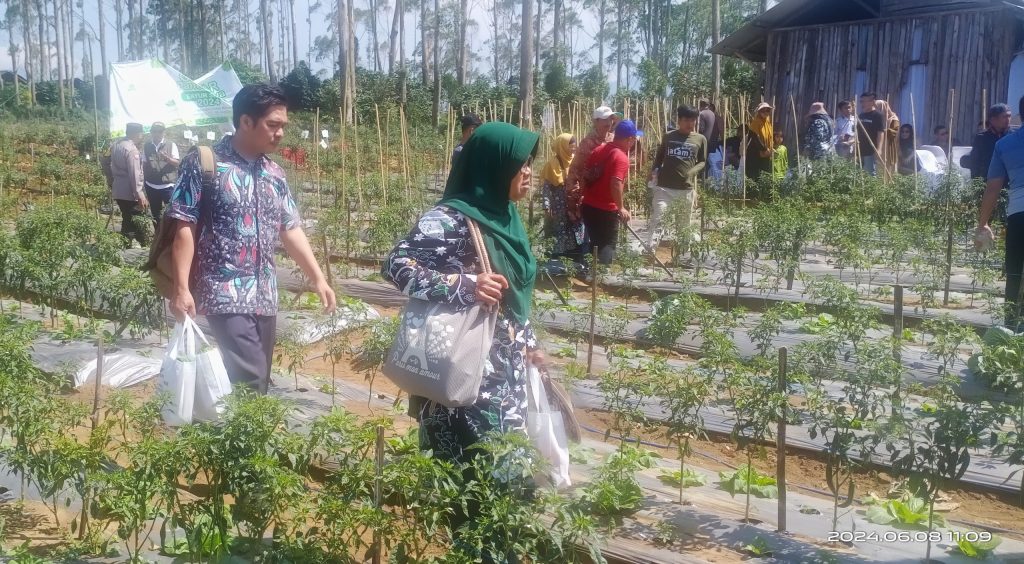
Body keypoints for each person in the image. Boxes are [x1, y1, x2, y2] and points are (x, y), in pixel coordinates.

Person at [382, 123, 543, 542]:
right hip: (465, 372)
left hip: (505, 371)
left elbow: (515, 297)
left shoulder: (505, 218)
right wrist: (464, 286)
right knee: (475, 481)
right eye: (520, 164)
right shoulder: (450, 218)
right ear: (493, 166)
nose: (529, 172)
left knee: (507, 476)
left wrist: (528, 345)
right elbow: (397, 266)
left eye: (530, 163)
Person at [166, 84, 337, 393]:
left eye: (283, 126)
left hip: (265, 295)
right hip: (223, 290)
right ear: (246, 121)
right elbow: (184, 226)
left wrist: (318, 278)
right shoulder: (205, 163)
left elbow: (290, 227)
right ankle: (243, 438)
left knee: (256, 380)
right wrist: (180, 288)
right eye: (273, 125)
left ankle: (224, 436)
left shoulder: (275, 173)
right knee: (251, 378)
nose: (281, 133)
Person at [978, 96, 1024, 329]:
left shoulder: (1005, 145)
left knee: (1015, 269)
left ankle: (1010, 325)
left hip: (1019, 213)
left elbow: (993, 187)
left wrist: (983, 223)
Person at [580, 119, 641, 265]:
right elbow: (615, 183)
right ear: (630, 139)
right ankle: (603, 278)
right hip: (606, 209)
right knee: (607, 244)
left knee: (595, 243)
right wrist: (620, 207)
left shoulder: (598, 149)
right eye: (634, 139)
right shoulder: (621, 157)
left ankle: (592, 274)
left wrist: (585, 196)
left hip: (588, 206)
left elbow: (585, 175)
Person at [648, 105, 706, 258]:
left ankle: (681, 256)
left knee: (683, 224)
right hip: (664, 188)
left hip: (685, 190)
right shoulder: (669, 136)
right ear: (679, 120)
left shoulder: (700, 139)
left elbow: (703, 162)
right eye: (686, 119)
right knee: (659, 218)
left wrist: (692, 172)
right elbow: (659, 157)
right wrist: (653, 171)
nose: (690, 123)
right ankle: (650, 251)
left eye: (693, 120)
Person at [566, 105, 621, 220]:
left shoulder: (615, 140)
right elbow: (574, 171)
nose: (609, 123)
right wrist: (574, 199)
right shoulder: (586, 144)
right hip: (592, 199)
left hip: (611, 198)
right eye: (605, 119)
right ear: (596, 122)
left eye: (610, 119)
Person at [541, 133, 584, 262]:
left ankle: (575, 258)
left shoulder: (576, 162)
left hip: (574, 204)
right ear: (562, 147)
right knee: (558, 232)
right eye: (570, 147)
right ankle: (556, 259)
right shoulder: (551, 165)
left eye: (574, 147)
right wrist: (546, 204)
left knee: (575, 230)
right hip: (558, 206)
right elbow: (546, 187)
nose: (573, 150)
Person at [110, 122, 150, 248]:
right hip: (129, 191)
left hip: (118, 189)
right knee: (135, 218)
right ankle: (140, 245)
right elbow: (134, 174)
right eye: (141, 133)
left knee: (127, 217)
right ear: (136, 134)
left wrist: (111, 181)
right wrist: (139, 194)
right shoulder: (132, 150)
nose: (141, 136)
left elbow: (105, 162)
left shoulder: (116, 145)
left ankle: (127, 244)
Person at [142, 121, 180, 226]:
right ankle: (158, 237)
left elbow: (177, 163)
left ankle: (171, 237)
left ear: (164, 132)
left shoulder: (171, 145)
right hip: (151, 185)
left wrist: (167, 159)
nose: (157, 134)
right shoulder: (147, 146)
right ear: (151, 132)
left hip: (167, 185)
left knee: (172, 213)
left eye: (160, 131)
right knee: (156, 214)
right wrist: (142, 183)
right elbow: (144, 164)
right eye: (154, 131)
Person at [969, 104, 1013, 179]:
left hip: (1011, 183)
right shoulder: (982, 138)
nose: (1008, 119)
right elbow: (975, 164)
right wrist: (977, 185)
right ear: (993, 119)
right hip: (989, 182)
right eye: (1004, 116)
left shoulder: (1014, 137)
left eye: (1009, 116)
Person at [745, 102, 774, 182]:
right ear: (759, 112)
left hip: (765, 153)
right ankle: (752, 193)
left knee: (764, 175)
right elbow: (755, 138)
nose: (765, 112)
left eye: (767, 110)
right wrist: (765, 149)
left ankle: (762, 193)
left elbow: (770, 137)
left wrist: (770, 148)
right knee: (755, 176)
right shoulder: (756, 122)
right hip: (755, 153)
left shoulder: (767, 122)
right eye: (763, 111)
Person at [857, 92, 885, 175]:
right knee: (859, 172)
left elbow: (880, 133)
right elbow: (857, 132)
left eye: (863, 101)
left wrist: (879, 149)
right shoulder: (861, 115)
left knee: (870, 173)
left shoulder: (877, 115)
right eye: (861, 101)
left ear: (872, 102)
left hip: (870, 149)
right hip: (860, 148)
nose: (861, 104)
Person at [875, 100, 900, 178]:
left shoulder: (894, 119)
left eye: (878, 108)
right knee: (878, 167)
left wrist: (885, 127)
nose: (876, 110)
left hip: (888, 146)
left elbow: (894, 133)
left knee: (888, 166)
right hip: (879, 144)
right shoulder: (878, 118)